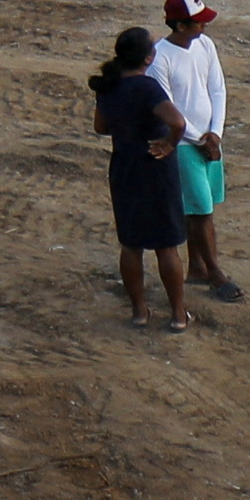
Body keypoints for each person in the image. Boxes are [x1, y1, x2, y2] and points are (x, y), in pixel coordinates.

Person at [94, 25, 193, 333]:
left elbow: (100, 127)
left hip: (124, 166)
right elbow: (177, 122)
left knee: (131, 244)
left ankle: (139, 311)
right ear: (150, 57)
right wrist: (168, 143)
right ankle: (178, 314)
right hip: (155, 167)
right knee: (166, 245)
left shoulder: (108, 87)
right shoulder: (147, 88)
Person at [155, 0, 245, 304]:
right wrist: (202, 139)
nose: (204, 27)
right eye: (198, 23)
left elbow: (217, 89)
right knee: (201, 210)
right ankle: (215, 272)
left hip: (207, 139)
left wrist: (216, 133)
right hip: (182, 144)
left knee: (200, 207)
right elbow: (167, 109)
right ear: (180, 26)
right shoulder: (160, 58)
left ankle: (197, 267)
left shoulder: (205, 45)